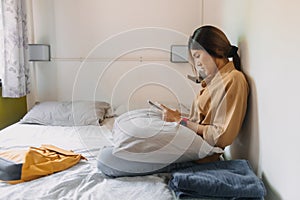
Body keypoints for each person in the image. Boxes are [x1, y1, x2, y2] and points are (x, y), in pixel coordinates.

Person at [97, 25, 249, 177]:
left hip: (200, 153)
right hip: (188, 139)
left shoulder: (234, 80)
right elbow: (201, 120)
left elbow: (220, 136)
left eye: (197, 56)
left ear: (216, 50)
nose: (197, 64)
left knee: (106, 159)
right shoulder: (214, 81)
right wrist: (178, 117)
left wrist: (181, 120)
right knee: (132, 123)